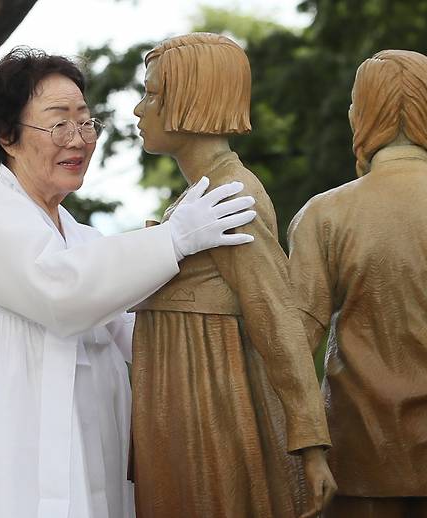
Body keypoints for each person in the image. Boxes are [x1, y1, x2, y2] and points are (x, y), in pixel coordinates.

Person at [0, 47, 259, 518]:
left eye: (85, 122)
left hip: (83, 479)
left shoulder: (80, 238)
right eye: (58, 123)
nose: (78, 139)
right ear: (7, 136)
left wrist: (233, 338)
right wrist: (173, 240)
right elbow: (62, 294)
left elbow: (142, 340)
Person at [129, 33, 335, 518]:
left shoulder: (231, 195)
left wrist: (309, 442)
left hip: (209, 408)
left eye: (152, 94)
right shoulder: (200, 196)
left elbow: (274, 316)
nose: (140, 110)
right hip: (185, 402)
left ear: (191, 101)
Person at [288, 50, 427, 518]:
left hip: (358, 454)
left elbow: (293, 347)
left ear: (361, 116)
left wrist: (306, 449)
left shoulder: (323, 215)